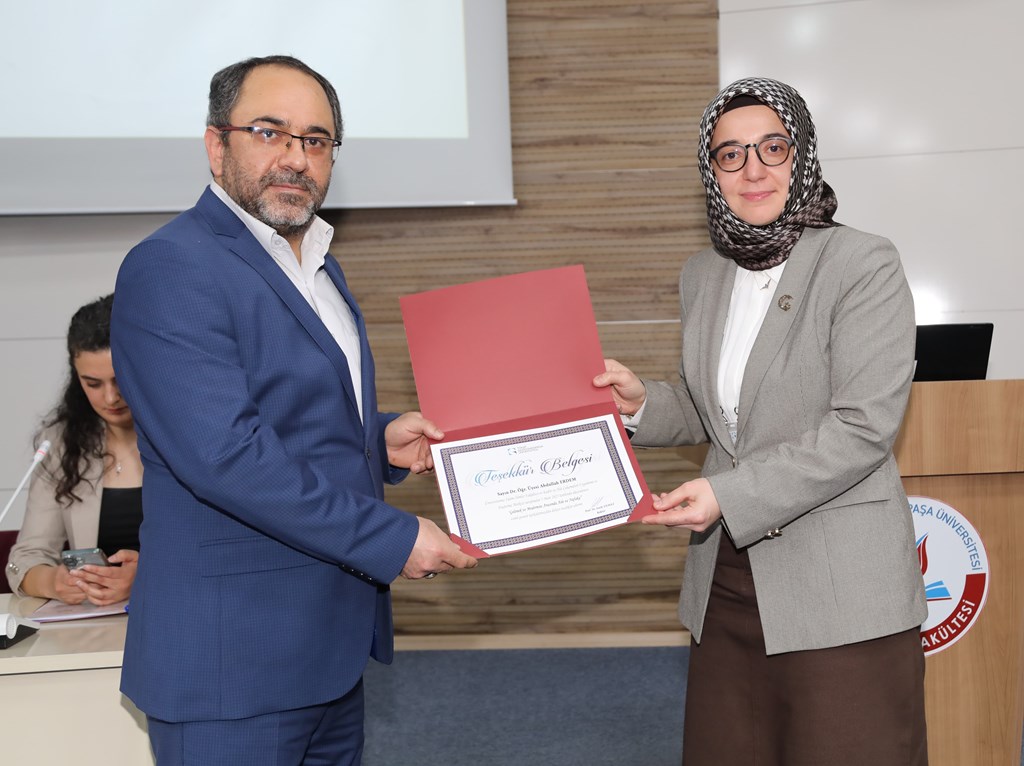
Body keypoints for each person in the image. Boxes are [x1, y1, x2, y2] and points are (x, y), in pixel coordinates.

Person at [110, 55, 476, 765]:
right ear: (216, 144)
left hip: (327, 649)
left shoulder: (317, 262)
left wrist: (378, 437)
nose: (295, 157)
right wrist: (393, 538)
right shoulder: (172, 266)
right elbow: (226, 456)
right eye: (268, 131)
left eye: (315, 140)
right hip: (233, 662)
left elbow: (286, 413)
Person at [594, 77, 928, 765]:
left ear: (801, 154)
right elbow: (719, 413)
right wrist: (641, 404)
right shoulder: (703, 274)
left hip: (838, 585)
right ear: (711, 172)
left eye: (772, 148)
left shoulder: (861, 262)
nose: (752, 170)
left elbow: (862, 428)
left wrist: (726, 494)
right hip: (727, 581)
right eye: (730, 154)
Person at [6, 294, 141, 606]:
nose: (111, 397)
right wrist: (53, 582)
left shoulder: (186, 435)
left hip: (178, 612)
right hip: (95, 623)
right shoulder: (62, 443)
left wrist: (146, 576)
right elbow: (26, 557)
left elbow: (222, 550)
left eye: (120, 380)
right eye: (93, 384)